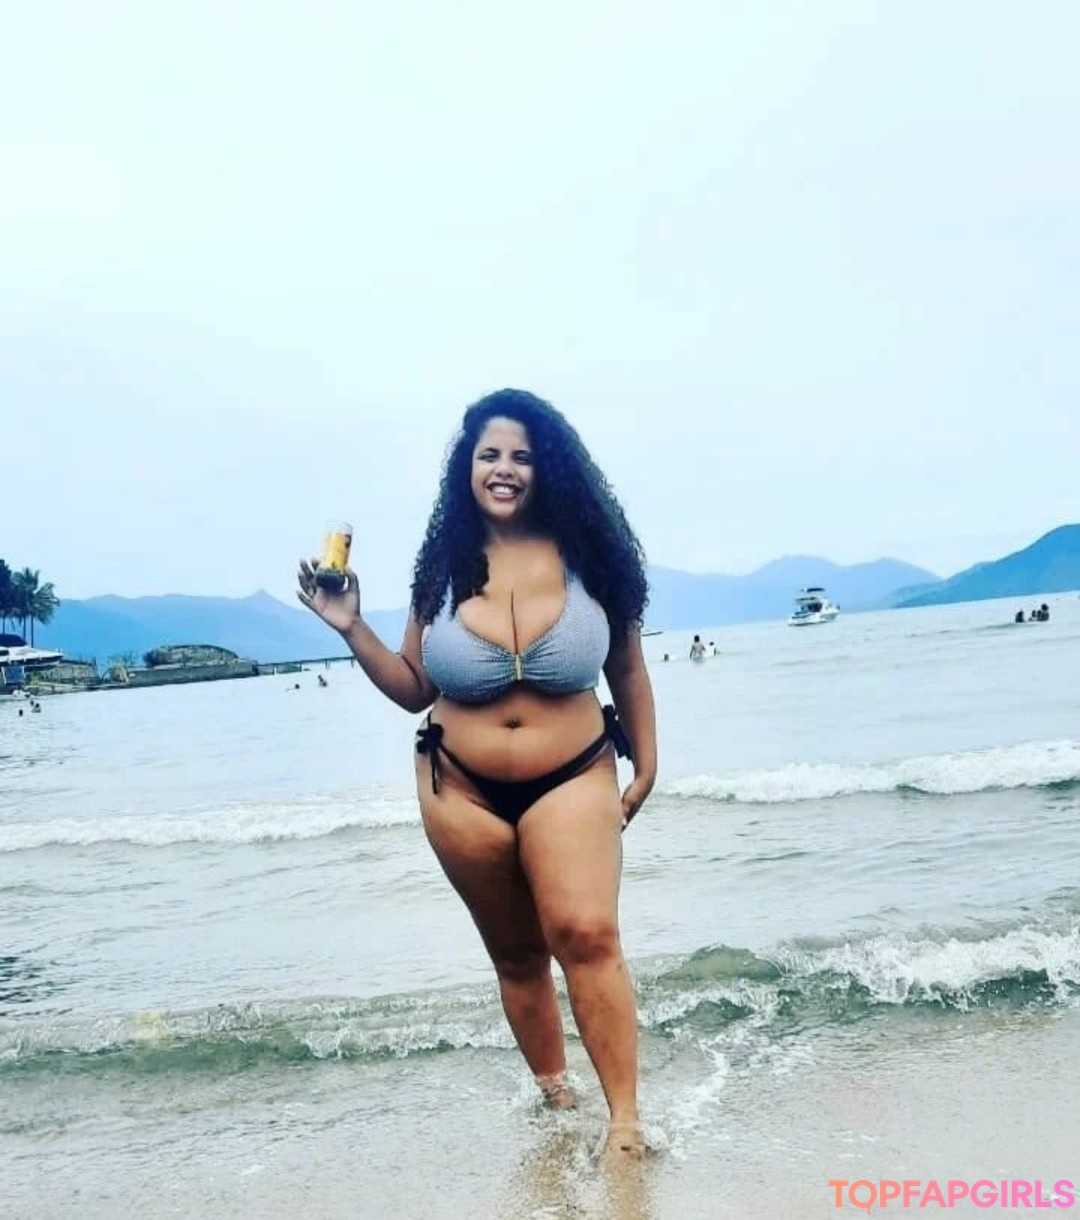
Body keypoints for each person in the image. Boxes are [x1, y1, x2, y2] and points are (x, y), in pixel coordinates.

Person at [297, 389, 657, 1157]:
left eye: (522, 456)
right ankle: (556, 1104)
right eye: (489, 454)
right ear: (467, 467)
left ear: (548, 468)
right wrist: (351, 627)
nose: (504, 469)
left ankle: (625, 1123)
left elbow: (626, 665)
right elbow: (414, 687)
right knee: (518, 956)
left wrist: (648, 761)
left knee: (586, 933)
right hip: (458, 786)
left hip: (574, 772)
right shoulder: (443, 567)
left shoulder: (591, 556)